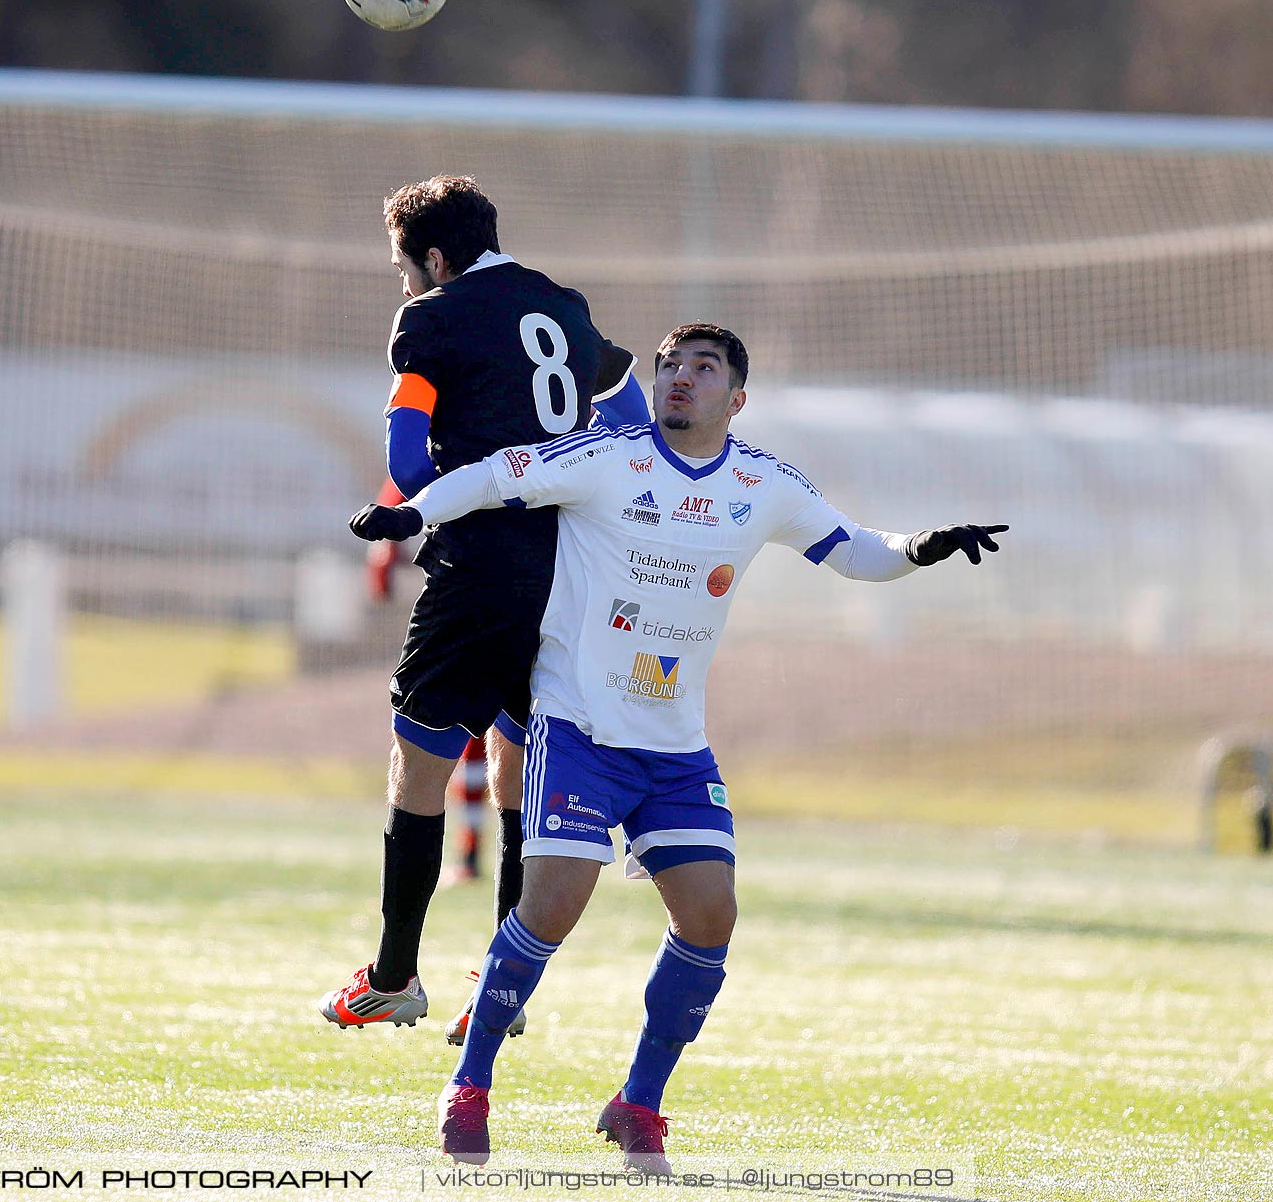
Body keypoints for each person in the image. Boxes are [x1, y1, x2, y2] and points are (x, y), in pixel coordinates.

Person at [349, 323, 1006, 1168]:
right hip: (579, 728)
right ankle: (470, 1085)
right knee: (550, 905)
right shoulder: (608, 456)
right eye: (668, 366)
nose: (678, 379)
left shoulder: (761, 482)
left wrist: (921, 548)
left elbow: (853, 549)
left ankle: (638, 1104)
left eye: (703, 369)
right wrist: (413, 508)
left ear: (737, 398)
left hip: (675, 749)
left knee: (710, 915)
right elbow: (495, 475)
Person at [319, 176, 649, 1036]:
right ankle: (502, 991)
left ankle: (394, 976)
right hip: (568, 572)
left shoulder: (431, 318)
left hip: (479, 569)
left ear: (434, 257)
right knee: (517, 771)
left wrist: (426, 505)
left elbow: (407, 451)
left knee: (418, 764)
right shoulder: (564, 306)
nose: (403, 286)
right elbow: (627, 411)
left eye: (404, 268)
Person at [366, 478, 489, 887]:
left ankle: (473, 851)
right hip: (529, 592)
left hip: (463, 593)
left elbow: (407, 472)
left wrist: (383, 563)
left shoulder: (457, 427)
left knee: (457, 733)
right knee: (504, 736)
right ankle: (480, 851)